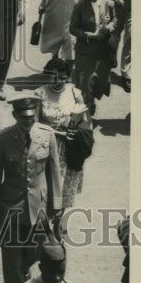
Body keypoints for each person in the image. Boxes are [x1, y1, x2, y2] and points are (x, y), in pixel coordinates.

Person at [0, 92, 63, 283]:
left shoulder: (47, 135)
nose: (28, 121)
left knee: (34, 254)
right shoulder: (2, 139)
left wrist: (56, 205)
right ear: (14, 115)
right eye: (23, 118)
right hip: (10, 206)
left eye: (31, 117)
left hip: (38, 207)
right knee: (11, 259)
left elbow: (54, 171)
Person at [35, 58, 91, 209]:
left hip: (70, 147)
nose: (58, 80)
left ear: (67, 76)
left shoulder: (74, 92)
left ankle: (59, 223)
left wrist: (74, 124)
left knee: (66, 186)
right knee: (46, 185)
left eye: (62, 77)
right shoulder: (40, 93)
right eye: (53, 76)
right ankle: (45, 222)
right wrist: (58, 134)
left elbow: (86, 121)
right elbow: (35, 124)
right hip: (46, 144)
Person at [69, 0, 117, 114]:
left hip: (102, 53)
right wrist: (89, 35)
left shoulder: (108, 4)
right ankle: (85, 116)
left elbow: (115, 20)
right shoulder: (79, 6)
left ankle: (91, 101)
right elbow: (72, 28)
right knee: (85, 86)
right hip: (85, 53)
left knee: (100, 84)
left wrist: (109, 27)